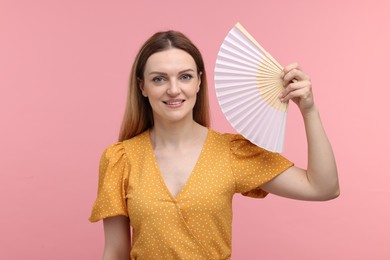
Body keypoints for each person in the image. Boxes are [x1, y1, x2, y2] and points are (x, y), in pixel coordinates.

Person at [89, 30, 339, 260]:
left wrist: (309, 110)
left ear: (199, 82)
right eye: (159, 79)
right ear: (142, 86)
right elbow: (115, 252)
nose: (174, 90)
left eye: (184, 77)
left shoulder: (231, 152)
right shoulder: (119, 159)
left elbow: (323, 187)